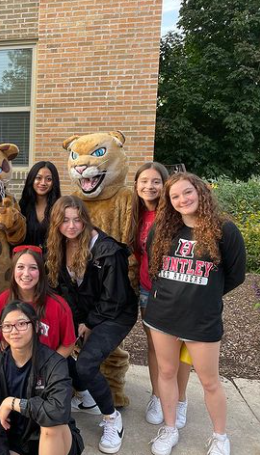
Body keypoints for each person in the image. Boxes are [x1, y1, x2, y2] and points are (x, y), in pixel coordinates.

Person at [144, 173, 246, 455]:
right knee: (166, 372)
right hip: (162, 316)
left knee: (209, 381)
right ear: (169, 202)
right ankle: (170, 428)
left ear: (200, 191)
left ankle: (220, 436)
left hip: (201, 320)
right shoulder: (163, 229)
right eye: (175, 196)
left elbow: (236, 275)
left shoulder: (225, 230)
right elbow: (155, 267)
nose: (182, 200)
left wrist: (204, 295)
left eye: (187, 192)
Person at [45, 195, 137, 454]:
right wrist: (74, 321)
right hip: (87, 312)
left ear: (85, 220)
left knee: (86, 364)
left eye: (77, 219)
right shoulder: (59, 245)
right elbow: (66, 290)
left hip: (115, 313)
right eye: (65, 220)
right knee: (54, 348)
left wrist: (90, 323)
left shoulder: (107, 250)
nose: (72, 226)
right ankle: (87, 397)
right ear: (56, 223)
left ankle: (111, 418)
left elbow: (115, 297)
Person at [132, 162, 191, 429]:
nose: (149, 186)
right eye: (144, 181)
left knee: (181, 345)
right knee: (155, 346)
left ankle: (180, 400)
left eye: (156, 181)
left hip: (178, 291)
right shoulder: (135, 214)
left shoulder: (175, 214)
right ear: (136, 185)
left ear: (165, 185)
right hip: (148, 289)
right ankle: (158, 396)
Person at [0, 301, 84, 455]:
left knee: (50, 425)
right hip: (17, 442)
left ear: (36, 326)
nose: (14, 331)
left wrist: (14, 403)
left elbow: (58, 412)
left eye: (21, 324)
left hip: (56, 439)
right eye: (7, 326)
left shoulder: (54, 362)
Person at [0, 245, 75, 357]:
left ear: (41, 272)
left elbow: (68, 345)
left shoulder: (58, 305)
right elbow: (1, 341)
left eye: (33, 268)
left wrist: (50, 365)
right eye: (20, 267)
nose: (26, 274)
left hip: (48, 364)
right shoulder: (2, 301)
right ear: (13, 270)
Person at [19, 161, 61, 250]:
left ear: (54, 182)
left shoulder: (60, 208)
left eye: (48, 179)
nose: (43, 183)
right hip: (27, 257)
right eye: (38, 178)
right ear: (31, 179)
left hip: (52, 257)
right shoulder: (21, 207)